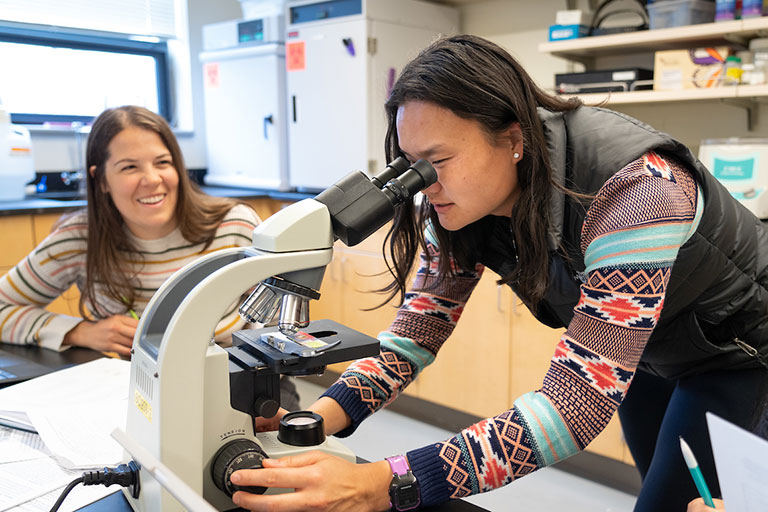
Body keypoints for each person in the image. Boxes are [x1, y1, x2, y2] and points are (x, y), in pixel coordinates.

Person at [229, 35, 768, 512]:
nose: (423, 184)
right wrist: (320, 418)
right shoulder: (454, 201)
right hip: (656, 353)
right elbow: (416, 334)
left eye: (437, 161)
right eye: (411, 164)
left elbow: (573, 407)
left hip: (743, 358)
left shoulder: (637, 193)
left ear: (513, 140)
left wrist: (381, 484)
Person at [0, 105, 299, 409]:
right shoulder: (80, 238)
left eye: (163, 162)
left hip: (241, 388)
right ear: (101, 179)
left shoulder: (234, 226)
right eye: (130, 167)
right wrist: (81, 332)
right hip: (135, 395)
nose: (152, 179)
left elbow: (281, 326)